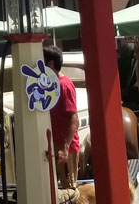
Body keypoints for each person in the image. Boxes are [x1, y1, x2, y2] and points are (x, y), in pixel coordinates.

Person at [43, 45, 80, 190]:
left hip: (66, 148)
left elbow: (73, 118)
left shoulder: (64, 85)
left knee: (70, 189)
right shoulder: (51, 84)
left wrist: (65, 148)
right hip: (56, 145)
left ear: (50, 64)